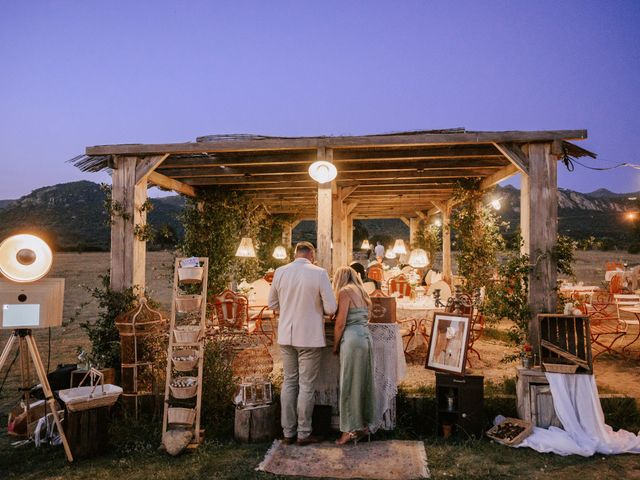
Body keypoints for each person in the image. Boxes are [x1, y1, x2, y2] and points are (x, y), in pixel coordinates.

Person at [268, 241, 337, 446]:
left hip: (286, 336)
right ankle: (304, 433)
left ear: (296, 254)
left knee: (289, 382)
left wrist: (289, 308)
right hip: (309, 336)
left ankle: (288, 433)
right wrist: (317, 308)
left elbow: (272, 303)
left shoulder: (280, 272)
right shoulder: (319, 273)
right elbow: (331, 308)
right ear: (311, 255)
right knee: (306, 386)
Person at [332, 266, 376, 445]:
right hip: (365, 338)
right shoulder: (362, 291)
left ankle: (348, 431)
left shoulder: (344, 292)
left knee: (349, 384)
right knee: (364, 383)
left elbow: (340, 324)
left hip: (351, 340)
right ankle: (363, 427)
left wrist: (335, 346)